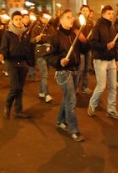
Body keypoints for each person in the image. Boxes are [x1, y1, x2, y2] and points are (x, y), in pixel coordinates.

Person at [46, 9, 84, 142]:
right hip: (63, 73)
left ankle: (60, 120)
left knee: (67, 98)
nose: (71, 19)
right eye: (68, 17)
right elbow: (49, 56)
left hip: (75, 71)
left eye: (72, 17)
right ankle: (74, 130)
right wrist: (60, 61)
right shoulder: (55, 37)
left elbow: (84, 50)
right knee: (71, 100)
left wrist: (85, 40)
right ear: (61, 20)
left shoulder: (74, 35)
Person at [87, 5, 118, 119]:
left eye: (112, 14)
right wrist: (105, 46)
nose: (111, 16)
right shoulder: (97, 27)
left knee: (113, 86)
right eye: (109, 14)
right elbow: (92, 43)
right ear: (103, 14)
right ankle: (92, 105)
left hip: (111, 59)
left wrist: (117, 59)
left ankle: (111, 109)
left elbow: (115, 45)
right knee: (101, 86)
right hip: (100, 60)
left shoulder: (112, 28)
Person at [0, 11, 33, 119]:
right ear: (12, 21)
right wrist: (2, 55)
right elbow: (4, 48)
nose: (18, 21)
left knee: (20, 88)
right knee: (14, 87)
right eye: (16, 19)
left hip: (22, 63)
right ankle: (8, 105)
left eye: (20, 19)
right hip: (11, 63)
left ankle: (18, 110)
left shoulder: (24, 34)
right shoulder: (7, 34)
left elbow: (27, 48)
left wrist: (30, 62)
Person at [31, 10, 55, 103]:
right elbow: (32, 40)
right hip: (40, 53)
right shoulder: (36, 28)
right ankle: (46, 94)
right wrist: (37, 38)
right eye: (44, 17)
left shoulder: (51, 28)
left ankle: (41, 91)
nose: (46, 19)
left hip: (48, 52)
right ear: (40, 18)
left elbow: (53, 38)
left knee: (45, 74)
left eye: (47, 17)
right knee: (44, 74)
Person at [74, 5, 94, 94]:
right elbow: (73, 30)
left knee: (87, 68)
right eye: (84, 10)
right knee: (80, 69)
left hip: (88, 48)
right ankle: (75, 87)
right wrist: (78, 33)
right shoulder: (76, 21)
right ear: (81, 11)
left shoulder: (90, 22)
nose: (85, 12)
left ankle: (84, 86)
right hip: (79, 49)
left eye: (87, 10)